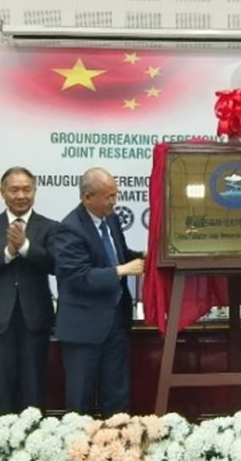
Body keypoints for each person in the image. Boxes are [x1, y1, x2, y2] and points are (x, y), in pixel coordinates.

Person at [50, 167, 144, 416]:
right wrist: (122, 271)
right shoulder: (69, 228)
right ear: (87, 197)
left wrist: (142, 256)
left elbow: (118, 255)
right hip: (84, 326)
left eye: (115, 195)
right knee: (80, 398)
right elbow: (77, 276)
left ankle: (117, 443)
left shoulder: (110, 219)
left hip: (115, 320)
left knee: (117, 392)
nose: (114, 201)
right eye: (108, 196)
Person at [0, 167, 57, 414]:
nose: (21, 195)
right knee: (1, 387)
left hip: (35, 318)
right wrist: (7, 253)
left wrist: (26, 247)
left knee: (34, 386)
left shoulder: (50, 227)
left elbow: (56, 265)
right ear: (2, 192)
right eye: (14, 189)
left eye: (26, 189)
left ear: (35, 191)